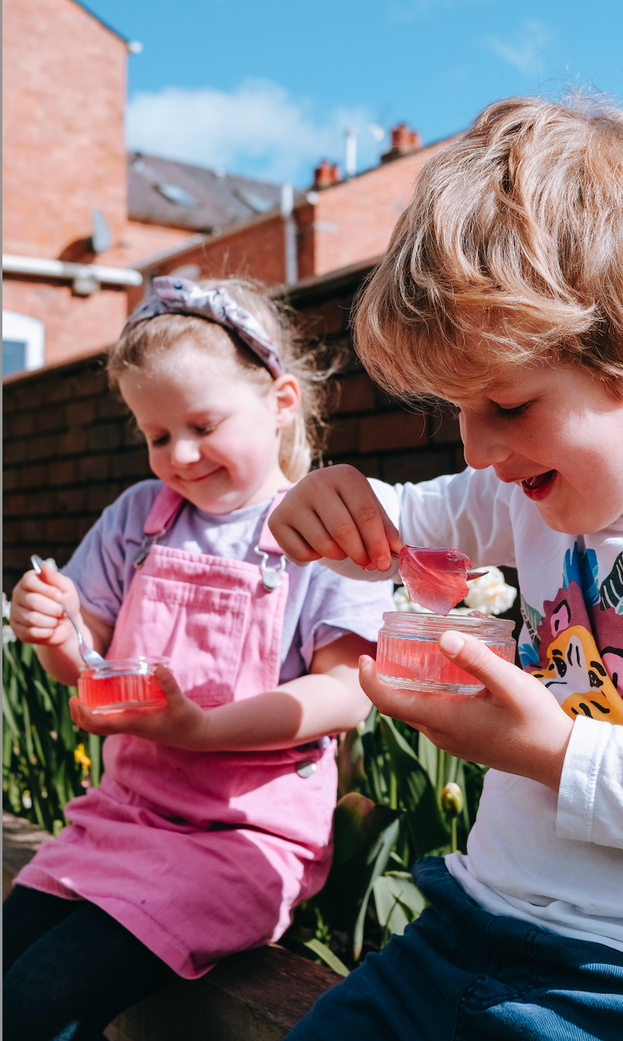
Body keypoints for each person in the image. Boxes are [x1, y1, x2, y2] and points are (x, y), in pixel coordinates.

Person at [268, 94, 623, 1041]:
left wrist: (555, 753)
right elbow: (389, 523)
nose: (475, 451)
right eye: (456, 411)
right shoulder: (527, 490)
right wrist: (319, 501)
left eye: (506, 405)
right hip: (473, 930)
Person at [4, 276, 395, 1041]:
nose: (178, 455)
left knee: (40, 1003)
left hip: (240, 841)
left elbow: (348, 692)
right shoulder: (138, 520)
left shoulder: (317, 532)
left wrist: (200, 729)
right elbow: (82, 658)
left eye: (202, 424)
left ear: (281, 402)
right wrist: (53, 630)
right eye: (155, 435)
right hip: (119, 818)